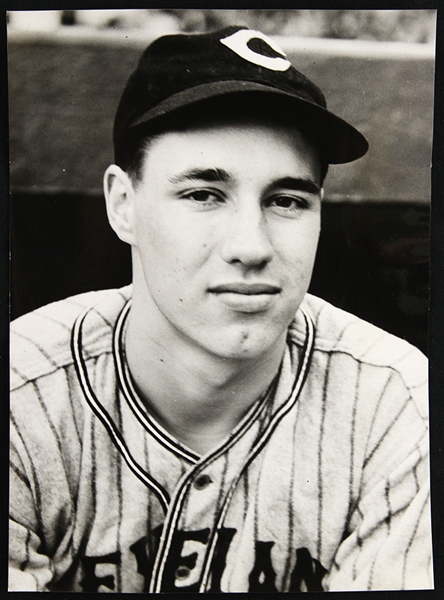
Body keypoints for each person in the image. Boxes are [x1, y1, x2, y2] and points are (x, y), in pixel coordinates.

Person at [9, 26, 432, 593]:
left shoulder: (397, 405)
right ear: (123, 204)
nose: (252, 246)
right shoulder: (22, 395)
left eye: (286, 201)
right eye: (203, 194)